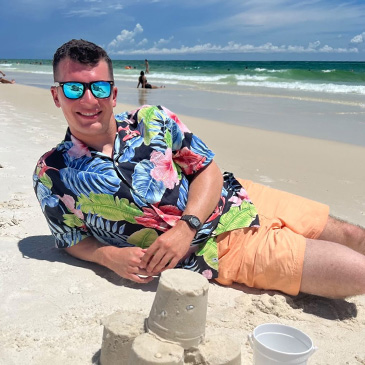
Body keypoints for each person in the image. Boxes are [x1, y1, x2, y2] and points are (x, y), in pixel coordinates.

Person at [33, 39, 365, 299]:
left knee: (353, 235)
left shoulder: (154, 119)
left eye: (99, 87)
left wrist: (185, 227)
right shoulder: (52, 174)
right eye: (74, 88)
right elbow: (71, 238)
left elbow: (207, 169)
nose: (89, 100)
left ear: (114, 94)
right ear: (55, 95)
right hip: (218, 251)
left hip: (239, 195)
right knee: (357, 272)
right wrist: (108, 257)